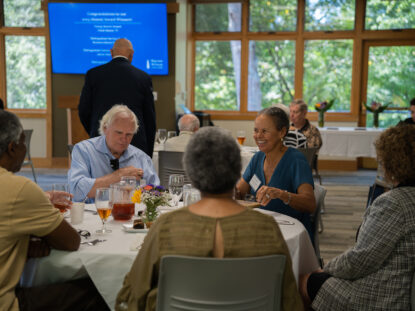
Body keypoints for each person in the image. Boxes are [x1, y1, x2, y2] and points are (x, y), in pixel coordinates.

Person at [115, 127, 303, 311]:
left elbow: (131, 297)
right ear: (237, 171)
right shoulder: (268, 228)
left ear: (190, 172)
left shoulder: (166, 227)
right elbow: (289, 301)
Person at [0, 110, 109, 310]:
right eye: (24, 142)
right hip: (7, 303)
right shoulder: (19, 189)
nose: (25, 148)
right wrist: (30, 241)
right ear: (12, 148)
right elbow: (71, 241)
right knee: (99, 288)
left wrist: (23, 241)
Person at [300, 125, 415, 310]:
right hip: (402, 283)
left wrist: (326, 268)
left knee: (305, 280)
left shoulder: (394, 204)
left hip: (384, 295)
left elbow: (360, 260)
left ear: (393, 161)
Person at [236, 107, 316, 239]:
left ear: (282, 132)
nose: (258, 136)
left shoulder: (295, 160)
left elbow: (310, 204)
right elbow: (239, 193)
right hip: (262, 229)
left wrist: (282, 194)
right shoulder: (257, 158)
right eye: (256, 130)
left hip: (291, 234)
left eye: (264, 131)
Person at [78, 38, 156, 158]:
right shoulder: (143, 78)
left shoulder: (93, 75)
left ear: (111, 52)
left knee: (101, 176)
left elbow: (84, 111)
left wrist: (99, 130)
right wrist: (147, 154)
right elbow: (149, 119)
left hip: (101, 142)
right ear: (131, 54)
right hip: (134, 144)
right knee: (131, 176)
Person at [69, 105, 159, 202]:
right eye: (119, 133)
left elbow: (156, 192)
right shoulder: (84, 150)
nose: (124, 139)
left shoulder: (142, 158)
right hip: (95, 214)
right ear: (105, 128)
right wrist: (119, 176)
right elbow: (76, 191)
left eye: (129, 134)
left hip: (132, 214)